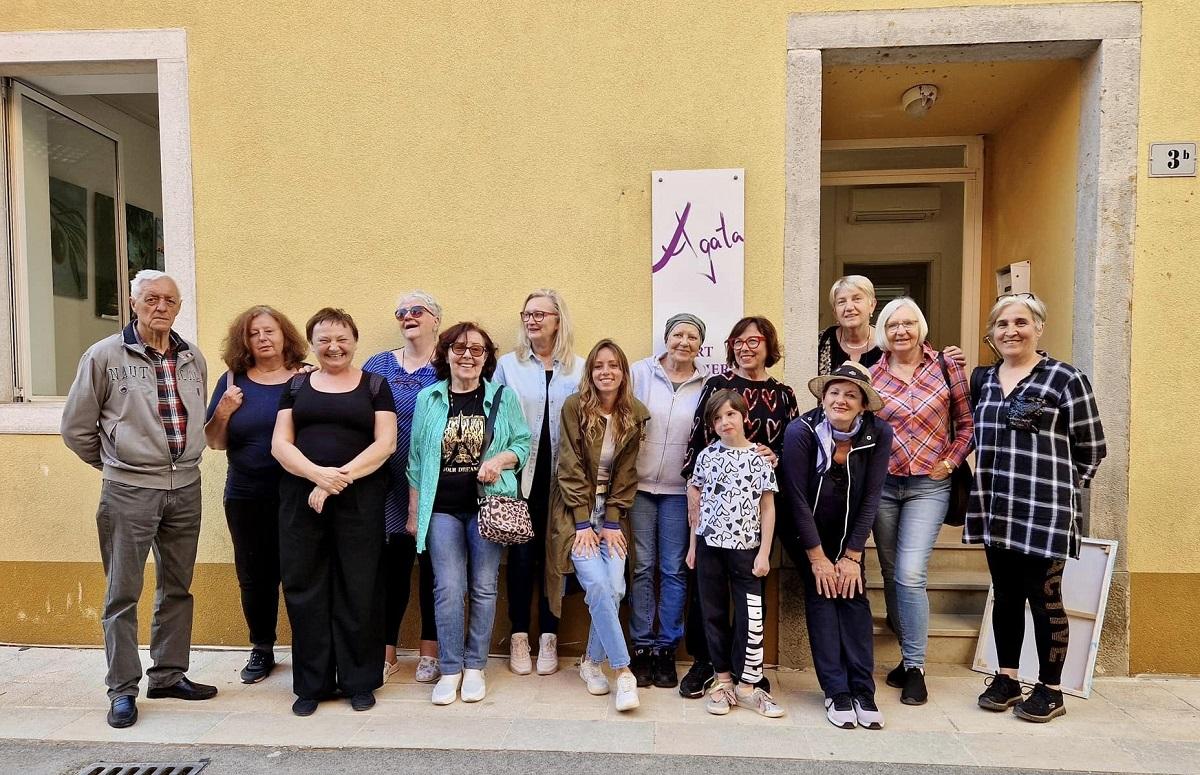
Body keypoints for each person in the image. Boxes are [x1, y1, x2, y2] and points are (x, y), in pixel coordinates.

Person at [61, 269, 215, 729]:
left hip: (185, 487)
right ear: (133, 304)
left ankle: (168, 675)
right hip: (129, 491)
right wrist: (117, 464)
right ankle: (122, 690)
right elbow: (76, 428)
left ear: (178, 307)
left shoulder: (192, 357)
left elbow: (196, 419)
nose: (161, 307)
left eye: (169, 300)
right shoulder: (104, 355)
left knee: (177, 587)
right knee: (122, 593)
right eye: (151, 298)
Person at [968, 293, 1106, 723]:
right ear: (992, 333)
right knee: (1005, 596)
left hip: (1044, 512)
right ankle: (1007, 678)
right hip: (996, 508)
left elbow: (1092, 447)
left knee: (1044, 599)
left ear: (1039, 328)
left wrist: (1062, 490)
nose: (1011, 331)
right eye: (1002, 324)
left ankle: (1051, 689)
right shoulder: (984, 380)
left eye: (1021, 323)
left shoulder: (1065, 379)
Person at [271, 308, 397, 716]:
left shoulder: (375, 385)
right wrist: (316, 476)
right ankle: (313, 685)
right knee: (305, 588)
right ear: (312, 344)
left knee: (359, 588)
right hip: (301, 500)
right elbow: (280, 444)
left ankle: (359, 681)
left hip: (359, 500)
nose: (333, 347)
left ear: (355, 341)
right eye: (324, 339)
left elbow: (385, 444)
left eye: (342, 338)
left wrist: (335, 481)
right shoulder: (295, 386)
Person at [407, 322, 530, 706]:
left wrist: (499, 460)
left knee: (484, 587)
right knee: (447, 588)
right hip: (441, 509)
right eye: (459, 348)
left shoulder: (502, 397)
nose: (467, 356)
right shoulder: (428, 398)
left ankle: (475, 666)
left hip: (487, 507)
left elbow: (522, 443)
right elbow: (415, 460)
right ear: (446, 354)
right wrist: (414, 511)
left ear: (486, 358)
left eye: (477, 350)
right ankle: (450, 669)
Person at [678, 315, 799, 698]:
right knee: (706, 595)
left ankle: (749, 668)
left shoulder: (783, 395)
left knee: (750, 593)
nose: (745, 348)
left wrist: (776, 456)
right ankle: (707, 663)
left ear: (768, 345)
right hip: (713, 510)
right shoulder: (718, 386)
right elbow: (697, 438)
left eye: (754, 341)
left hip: (754, 511)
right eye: (738, 342)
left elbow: (793, 448)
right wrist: (692, 489)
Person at [868, 297, 973, 706]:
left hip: (929, 484)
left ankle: (915, 667)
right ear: (883, 332)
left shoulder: (947, 367)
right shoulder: (873, 374)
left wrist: (951, 461)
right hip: (884, 486)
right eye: (892, 325)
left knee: (910, 573)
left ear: (920, 327)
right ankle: (904, 651)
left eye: (908, 323)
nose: (901, 331)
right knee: (892, 571)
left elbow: (967, 424)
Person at [782, 361, 892, 730]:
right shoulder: (801, 430)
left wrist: (852, 555)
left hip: (849, 535)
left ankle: (863, 690)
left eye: (851, 395)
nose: (840, 400)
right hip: (805, 532)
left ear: (863, 404)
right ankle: (836, 691)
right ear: (823, 397)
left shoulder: (879, 432)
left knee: (854, 594)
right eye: (834, 392)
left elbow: (872, 496)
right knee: (823, 592)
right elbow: (796, 498)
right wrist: (817, 557)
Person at [204, 305, 308, 684]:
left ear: (284, 336)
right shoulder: (232, 381)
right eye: (254, 333)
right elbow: (214, 442)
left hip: (296, 494)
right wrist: (224, 411)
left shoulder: (306, 378)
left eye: (269, 331)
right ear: (244, 341)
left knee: (300, 571)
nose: (262, 338)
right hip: (246, 495)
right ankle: (262, 647)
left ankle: (307, 649)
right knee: (254, 576)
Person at [547, 339, 649, 713]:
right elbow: (568, 466)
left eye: (613, 365)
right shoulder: (575, 407)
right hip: (575, 514)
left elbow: (626, 473)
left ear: (623, 372)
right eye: (598, 366)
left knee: (615, 587)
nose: (606, 372)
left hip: (611, 518)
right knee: (597, 584)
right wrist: (582, 523)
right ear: (590, 372)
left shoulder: (634, 414)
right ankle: (623, 672)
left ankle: (590, 662)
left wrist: (611, 521)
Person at [494, 289, 584, 676]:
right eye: (527, 314)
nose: (531, 320)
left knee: (556, 557)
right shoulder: (508, 365)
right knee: (520, 558)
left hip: (562, 481)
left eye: (540, 314)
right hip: (519, 478)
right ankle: (518, 635)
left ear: (558, 320)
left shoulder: (578, 368)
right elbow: (497, 419)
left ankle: (550, 635)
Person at [686, 390, 784, 718]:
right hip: (710, 547)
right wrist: (692, 546)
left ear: (743, 416)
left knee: (750, 616)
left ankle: (748, 685)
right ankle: (723, 680)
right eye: (717, 418)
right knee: (712, 613)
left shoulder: (759, 458)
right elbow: (697, 505)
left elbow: (768, 508)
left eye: (730, 414)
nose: (724, 422)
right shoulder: (706, 456)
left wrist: (764, 553)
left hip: (747, 550)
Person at [363, 292, 442, 685]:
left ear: (435, 319)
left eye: (416, 311)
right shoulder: (378, 365)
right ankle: (386, 652)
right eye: (400, 312)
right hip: (388, 484)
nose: (407, 317)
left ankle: (430, 652)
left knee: (434, 570)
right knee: (390, 570)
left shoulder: (448, 363)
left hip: (438, 483)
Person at [628, 313, 707, 689]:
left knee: (674, 570)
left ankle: (665, 650)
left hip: (680, 490)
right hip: (639, 488)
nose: (684, 342)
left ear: (700, 345)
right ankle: (642, 647)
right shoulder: (640, 373)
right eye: (678, 334)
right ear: (666, 337)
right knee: (642, 567)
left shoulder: (706, 383)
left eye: (692, 337)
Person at [817, 275, 965, 375]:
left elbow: (921, 359)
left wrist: (948, 358)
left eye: (856, 299)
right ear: (835, 312)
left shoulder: (890, 339)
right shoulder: (820, 342)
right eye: (841, 302)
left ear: (872, 305)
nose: (849, 307)